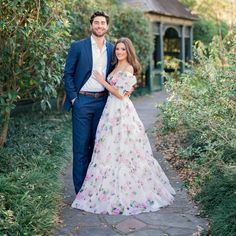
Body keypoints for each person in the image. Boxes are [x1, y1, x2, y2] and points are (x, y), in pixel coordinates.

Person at [71, 37, 176, 215]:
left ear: (128, 51)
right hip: (109, 110)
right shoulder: (115, 66)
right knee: (107, 148)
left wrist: (102, 81)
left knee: (123, 149)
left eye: (123, 50)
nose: (119, 52)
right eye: (117, 49)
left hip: (121, 111)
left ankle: (127, 189)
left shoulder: (128, 68)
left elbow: (121, 94)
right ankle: (104, 188)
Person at [63, 11, 114, 194]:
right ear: (91, 25)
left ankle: (95, 189)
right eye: (96, 22)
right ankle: (80, 192)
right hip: (82, 101)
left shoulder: (112, 48)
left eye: (103, 23)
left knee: (98, 146)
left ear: (107, 26)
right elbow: (68, 73)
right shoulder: (78, 46)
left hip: (102, 103)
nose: (100, 26)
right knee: (81, 147)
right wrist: (74, 98)